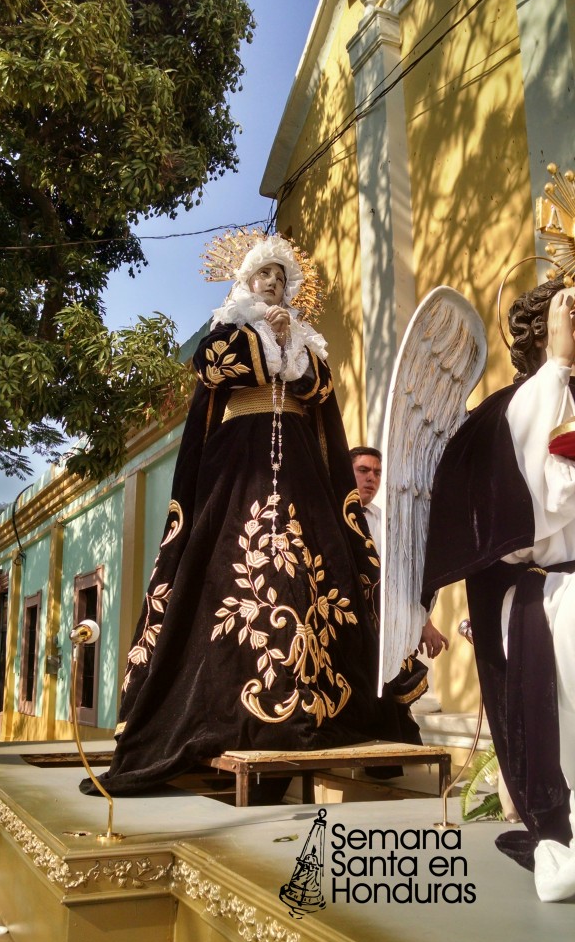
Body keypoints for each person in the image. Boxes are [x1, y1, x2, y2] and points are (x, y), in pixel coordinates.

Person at [83, 235, 412, 797]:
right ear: (246, 282)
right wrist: (266, 344)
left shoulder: (308, 340)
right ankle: (216, 703)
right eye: (265, 277)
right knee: (222, 565)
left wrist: (294, 352)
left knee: (313, 570)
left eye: (282, 280)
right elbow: (212, 368)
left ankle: (309, 693)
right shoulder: (228, 330)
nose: (273, 287)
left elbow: (321, 394)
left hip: (302, 468)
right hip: (239, 461)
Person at [422, 275, 575, 897]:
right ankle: (561, 831)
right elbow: (537, 503)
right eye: (570, 316)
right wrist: (559, 365)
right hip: (545, 596)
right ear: (545, 332)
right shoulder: (510, 409)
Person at [350, 446, 449, 660]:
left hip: (380, 630)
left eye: (377, 473)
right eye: (363, 470)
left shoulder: (387, 522)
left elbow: (399, 578)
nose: (371, 478)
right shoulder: (329, 518)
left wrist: (423, 621)